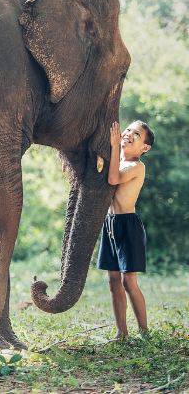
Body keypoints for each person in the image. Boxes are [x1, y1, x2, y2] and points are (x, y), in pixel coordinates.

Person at [97, 120, 154, 340]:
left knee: (128, 281)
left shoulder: (136, 166)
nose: (129, 134)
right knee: (113, 280)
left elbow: (113, 178)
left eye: (137, 134)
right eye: (128, 130)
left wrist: (113, 145)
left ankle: (144, 332)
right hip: (110, 224)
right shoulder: (118, 161)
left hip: (128, 226)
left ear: (145, 148)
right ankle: (122, 332)